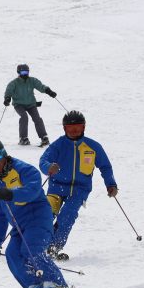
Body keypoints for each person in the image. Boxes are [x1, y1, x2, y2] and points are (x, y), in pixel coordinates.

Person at [0, 138, 73, 288]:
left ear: (4, 154)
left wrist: (12, 194)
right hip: (19, 226)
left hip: (38, 219)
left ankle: (58, 286)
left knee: (32, 249)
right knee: (12, 254)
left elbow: (33, 189)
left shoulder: (23, 170)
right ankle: (35, 286)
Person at [38, 110, 118, 260]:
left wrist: (111, 184)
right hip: (57, 187)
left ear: (84, 127)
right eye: (70, 128)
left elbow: (105, 166)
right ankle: (37, 245)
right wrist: (48, 167)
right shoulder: (58, 145)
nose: (74, 131)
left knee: (67, 215)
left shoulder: (92, 146)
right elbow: (43, 160)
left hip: (79, 190)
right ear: (64, 128)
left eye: (78, 127)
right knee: (47, 213)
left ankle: (53, 247)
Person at [3, 63, 57, 147]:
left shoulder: (32, 80)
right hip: (19, 104)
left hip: (31, 104)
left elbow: (40, 86)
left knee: (37, 119)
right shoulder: (14, 83)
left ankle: (44, 137)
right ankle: (23, 138)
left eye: (26, 72)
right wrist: (7, 98)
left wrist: (48, 91)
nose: (25, 74)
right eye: (23, 72)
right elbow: (8, 91)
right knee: (24, 117)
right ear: (18, 72)